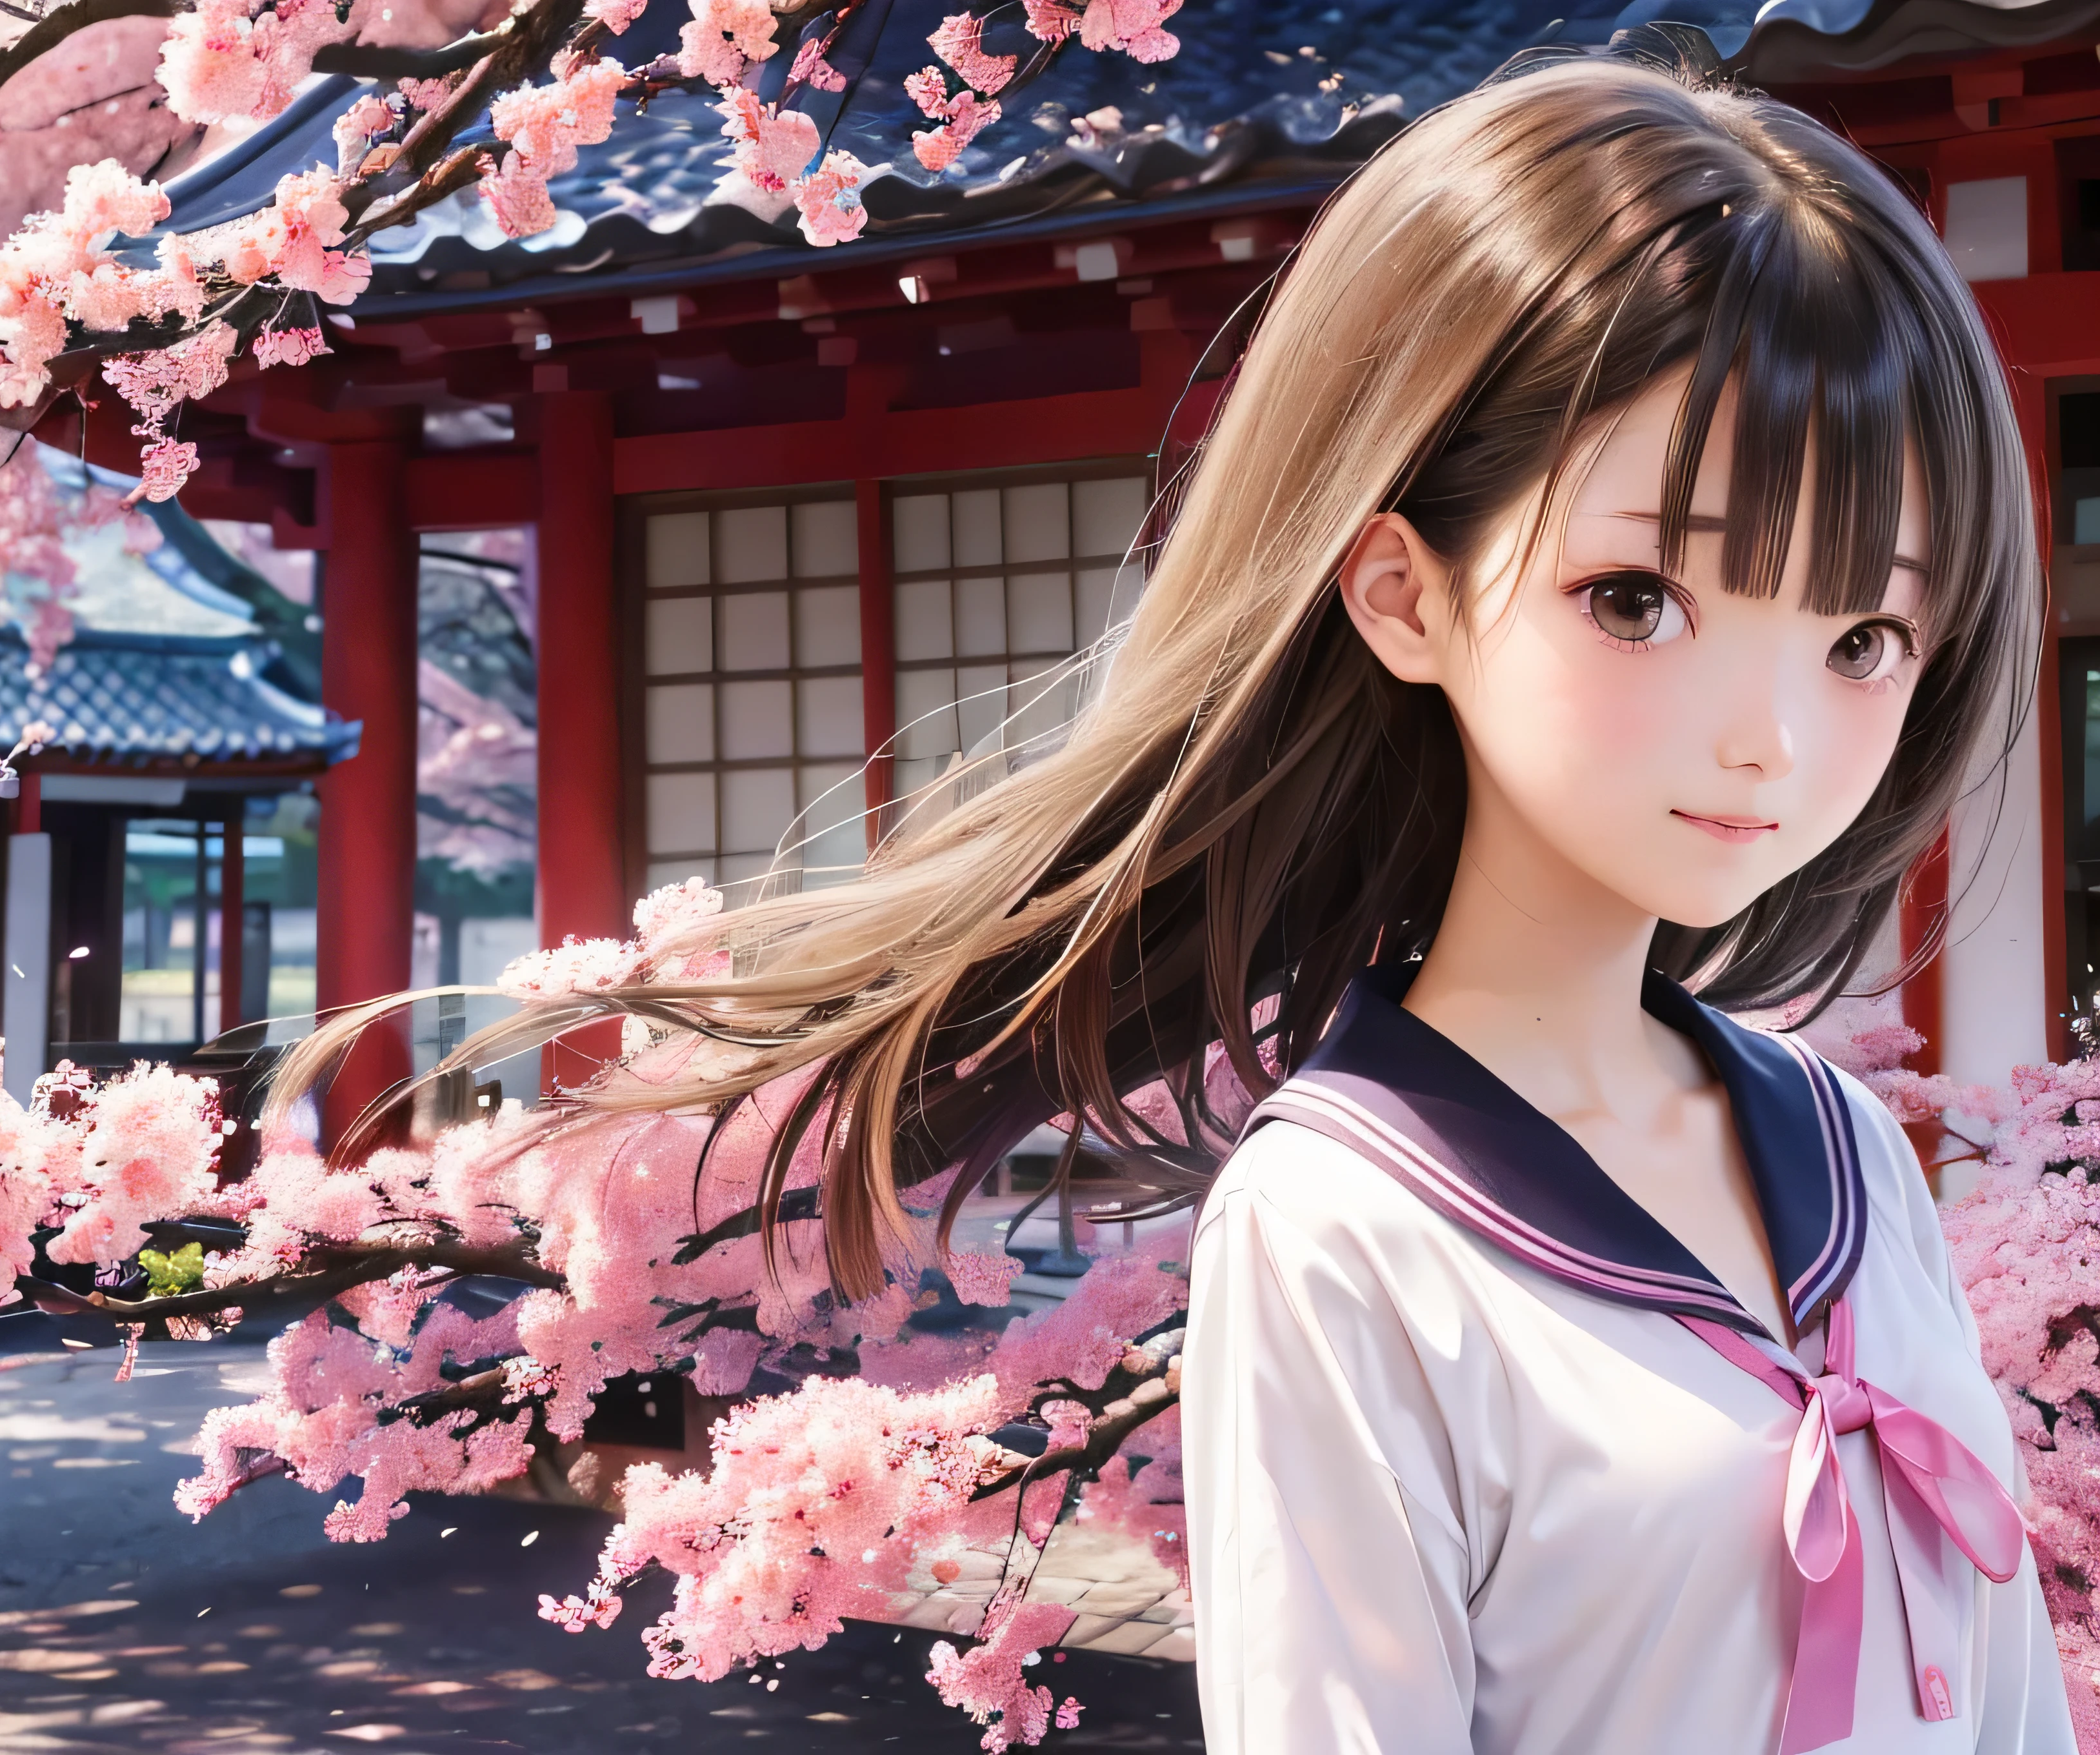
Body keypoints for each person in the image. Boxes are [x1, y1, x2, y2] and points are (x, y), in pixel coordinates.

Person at [275, 27, 2069, 1752]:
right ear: (1404, 594)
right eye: (1640, 599)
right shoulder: (1350, 1229)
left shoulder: (1845, 1159)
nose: (1767, 734)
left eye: (1862, 632)